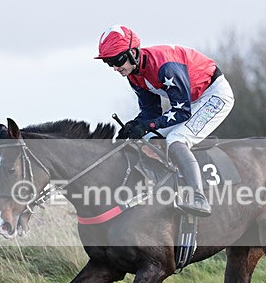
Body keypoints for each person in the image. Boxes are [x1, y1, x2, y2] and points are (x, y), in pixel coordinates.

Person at [94, 25, 235, 217]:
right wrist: (134, 126)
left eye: (118, 60)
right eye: (109, 63)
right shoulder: (135, 75)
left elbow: (181, 112)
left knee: (177, 139)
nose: (116, 67)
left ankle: (199, 197)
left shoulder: (166, 68)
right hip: (192, 100)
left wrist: (147, 125)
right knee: (148, 138)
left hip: (215, 95)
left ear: (134, 52)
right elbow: (150, 112)